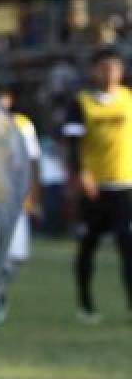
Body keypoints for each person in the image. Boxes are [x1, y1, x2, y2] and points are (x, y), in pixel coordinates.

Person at [62, 46, 132, 323]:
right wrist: (81, 174)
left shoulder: (128, 100)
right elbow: (73, 145)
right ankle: (85, 303)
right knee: (88, 246)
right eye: (104, 67)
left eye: (114, 68)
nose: (110, 73)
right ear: (94, 70)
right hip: (94, 188)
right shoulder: (81, 103)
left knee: (128, 248)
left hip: (125, 186)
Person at [0, 86, 41, 323]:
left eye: (3, 97)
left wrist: (33, 196)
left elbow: (33, 161)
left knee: (17, 255)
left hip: (17, 197)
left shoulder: (23, 125)